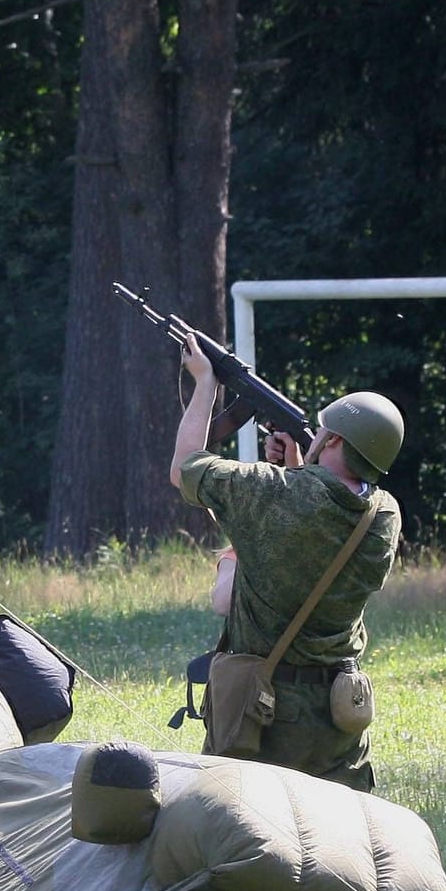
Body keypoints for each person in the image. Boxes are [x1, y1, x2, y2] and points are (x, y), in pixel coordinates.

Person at [169, 333, 404, 790]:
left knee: (242, 835)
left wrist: (204, 385)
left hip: (264, 713)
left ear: (333, 438)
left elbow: (184, 469)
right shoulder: (385, 516)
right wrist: (300, 468)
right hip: (338, 713)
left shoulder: (277, 491)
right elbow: (314, 523)